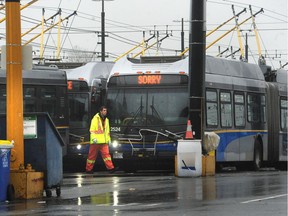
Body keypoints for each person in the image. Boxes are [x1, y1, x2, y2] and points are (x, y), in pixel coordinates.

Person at [85, 106, 117, 174]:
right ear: (101, 111)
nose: (105, 112)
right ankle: (88, 169)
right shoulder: (95, 119)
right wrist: (94, 140)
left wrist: (109, 140)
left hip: (104, 141)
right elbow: (92, 130)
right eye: (104, 110)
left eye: (106, 110)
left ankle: (111, 168)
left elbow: (107, 132)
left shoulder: (107, 120)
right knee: (92, 156)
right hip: (96, 142)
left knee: (107, 156)